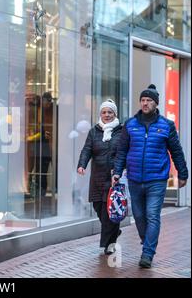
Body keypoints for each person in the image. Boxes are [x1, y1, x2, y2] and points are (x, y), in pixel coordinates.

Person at [112, 84, 188, 268]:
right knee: (138, 216)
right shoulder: (130, 124)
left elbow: (176, 151)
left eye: (149, 100)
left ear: (156, 103)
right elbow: (122, 151)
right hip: (134, 178)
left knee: (152, 215)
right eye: (143, 100)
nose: (145, 103)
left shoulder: (166, 125)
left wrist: (183, 173)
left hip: (157, 179)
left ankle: (147, 253)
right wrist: (116, 172)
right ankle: (147, 243)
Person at [77, 99, 122, 255]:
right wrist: (82, 164)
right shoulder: (94, 131)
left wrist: (119, 170)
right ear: (100, 114)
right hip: (97, 177)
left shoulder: (122, 131)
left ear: (115, 114)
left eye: (110, 112)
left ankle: (109, 244)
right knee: (98, 206)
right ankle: (114, 232)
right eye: (104, 112)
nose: (107, 115)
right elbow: (87, 150)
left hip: (113, 177)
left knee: (110, 211)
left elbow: (125, 153)